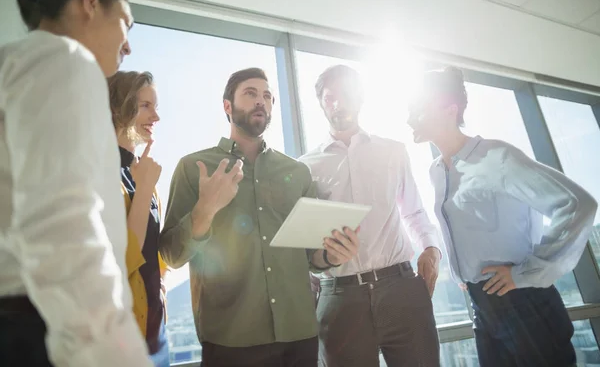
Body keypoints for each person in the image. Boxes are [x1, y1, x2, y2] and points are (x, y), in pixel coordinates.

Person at [0, 0, 152, 366]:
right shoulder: (65, 59)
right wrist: (119, 354)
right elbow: (62, 225)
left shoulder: (12, 63)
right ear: (89, 1)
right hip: (40, 328)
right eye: (126, 23)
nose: (129, 46)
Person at [159, 67, 360, 367]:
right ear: (227, 106)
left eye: (267, 96)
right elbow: (171, 255)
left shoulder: (297, 173)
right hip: (230, 341)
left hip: (299, 336)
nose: (261, 102)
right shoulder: (194, 168)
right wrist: (206, 210)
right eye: (250, 94)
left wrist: (332, 254)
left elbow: (311, 259)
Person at [407, 66, 598, 367]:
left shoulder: (496, 157)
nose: (409, 118)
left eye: (418, 109)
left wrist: (527, 272)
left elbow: (578, 204)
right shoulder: (436, 172)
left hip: (524, 303)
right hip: (483, 307)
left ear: (449, 109)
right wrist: (463, 273)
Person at [299, 65, 442, 367]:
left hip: (401, 291)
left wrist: (430, 248)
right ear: (321, 104)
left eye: (346, 95)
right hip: (339, 300)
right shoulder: (306, 167)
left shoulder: (393, 151)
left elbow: (414, 212)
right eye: (329, 98)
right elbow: (307, 244)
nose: (338, 103)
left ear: (361, 97)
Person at [108, 71, 171, 366]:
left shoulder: (144, 175)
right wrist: (144, 188)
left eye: (155, 106)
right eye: (145, 105)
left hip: (156, 331)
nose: (155, 116)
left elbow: (154, 258)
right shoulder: (99, 172)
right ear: (116, 109)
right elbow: (122, 259)